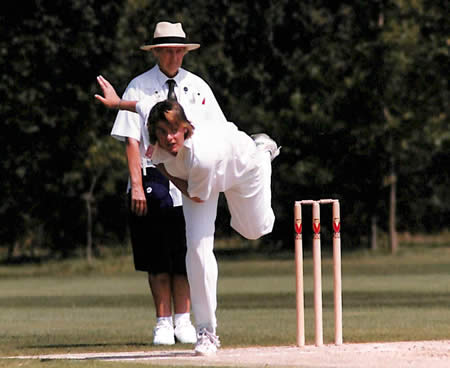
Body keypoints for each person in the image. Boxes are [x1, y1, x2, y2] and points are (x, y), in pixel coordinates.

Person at [95, 80, 280, 355]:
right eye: (162, 132)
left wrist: (161, 167)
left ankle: (264, 151)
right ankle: (207, 331)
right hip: (195, 178)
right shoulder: (155, 115)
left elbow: (195, 196)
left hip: (240, 167)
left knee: (255, 229)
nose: (169, 138)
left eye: (174, 131)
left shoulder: (200, 155)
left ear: (185, 129)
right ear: (154, 130)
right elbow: (140, 105)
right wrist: (116, 103)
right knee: (197, 248)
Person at [105, 21, 227, 346]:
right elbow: (131, 139)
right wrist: (135, 184)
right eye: (168, 51)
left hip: (188, 175)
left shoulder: (198, 87)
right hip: (151, 175)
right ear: (157, 52)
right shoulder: (139, 86)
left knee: (184, 250)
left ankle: (183, 320)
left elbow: (218, 131)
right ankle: (162, 321)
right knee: (156, 253)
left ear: (184, 52)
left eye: (178, 51)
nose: (174, 57)